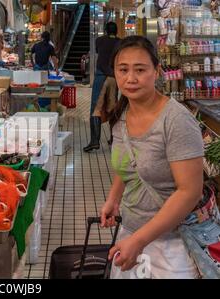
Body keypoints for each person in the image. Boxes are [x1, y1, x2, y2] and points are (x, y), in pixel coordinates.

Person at [101, 36, 204, 279]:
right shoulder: (122, 113)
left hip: (173, 244)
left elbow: (190, 191)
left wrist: (140, 240)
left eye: (140, 70)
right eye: (123, 69)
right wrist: (114, 199)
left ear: (157, 71)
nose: (130, 78)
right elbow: (127, 161)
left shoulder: (176, 121)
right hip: (131, 232)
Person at [84, 22, 121, 152]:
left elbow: (99, 51)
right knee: (113, 108)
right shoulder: (120, 43)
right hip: (114, 78)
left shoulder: (99, 40)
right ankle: (114, 138)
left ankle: (94, 141)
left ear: (105, 30)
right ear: (116, 31)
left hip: (101, 77)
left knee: (96, 108)